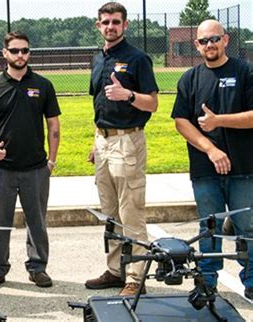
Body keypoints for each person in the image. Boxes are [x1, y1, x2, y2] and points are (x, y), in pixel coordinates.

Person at [171, 19, 253, 299]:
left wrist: (220, 120)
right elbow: (181, 122)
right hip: (205, 170)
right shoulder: (190, 79)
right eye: (204, 41)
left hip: (244, 169)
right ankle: (206, 283)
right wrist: (211, 149)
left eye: (214, 39)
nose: (209, 45)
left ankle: (252, 281)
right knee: (209, 228)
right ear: (197, 45)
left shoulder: (245, 72)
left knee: (248, 227)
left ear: (226, 40)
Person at [0, 31, 61, 290]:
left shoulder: (43, 85)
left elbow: (53, 125)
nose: (20, 55)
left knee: (37, 221)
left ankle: (37, 268)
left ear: (29, 53)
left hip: (36, 168)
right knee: (0, 222)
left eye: (24, 50)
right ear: (5, 54)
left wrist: (51, 162)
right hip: (2, 169)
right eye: (15, 51)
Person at [85, 2, 159, 296]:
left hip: (128, 141)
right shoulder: (97, 59)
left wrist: (128, 94)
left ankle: (135, 277)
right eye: (105, 22)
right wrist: (96, 141)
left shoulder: (138, 59)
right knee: (110, 214)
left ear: (125, 25)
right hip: (103, 142)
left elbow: (152, 103)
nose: (110, 26)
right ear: (98, 25)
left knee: (131, 213)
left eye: (116, 22)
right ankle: (116, 270)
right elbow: (98, 104)